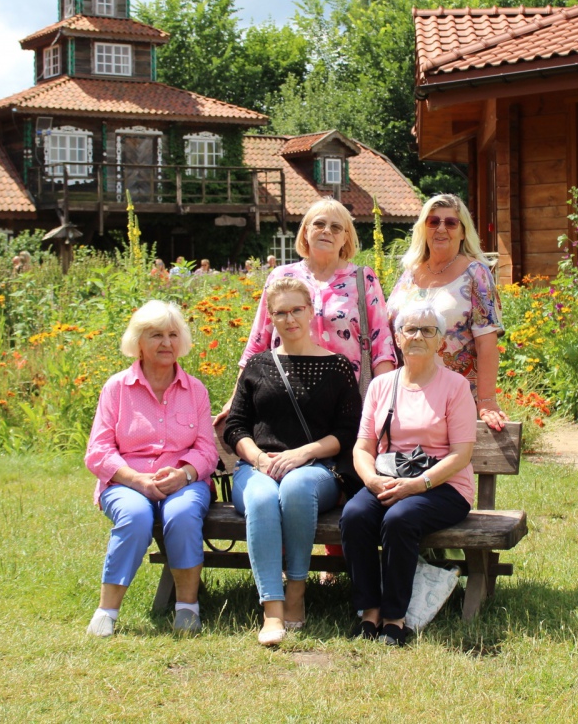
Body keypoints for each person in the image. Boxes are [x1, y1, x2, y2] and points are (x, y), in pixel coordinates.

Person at [223, 277, 362, 646]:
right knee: (263, 498)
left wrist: (304, 453)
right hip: (258, 468)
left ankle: (297, 591)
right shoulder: (258, 365)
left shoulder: (337, 367)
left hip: (317, 471)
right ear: (270, 318)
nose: (290, 319)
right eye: (280, 312)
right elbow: (235, 426)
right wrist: (257, 458)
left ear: (311, 311)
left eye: (297, 309)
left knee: (298, 486)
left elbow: (349, 432)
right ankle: (272, 607)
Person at [340, 301, 476, 646]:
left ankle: (395, 617)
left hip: (443, 485)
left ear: (439, 342)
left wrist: (417, 485)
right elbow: (362, 447)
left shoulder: (455, 386)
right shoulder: (382, 385)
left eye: (427, 330)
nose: (417, 336)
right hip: (389, 478)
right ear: (398, 338)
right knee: (355, 514)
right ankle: (368, 611)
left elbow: (462, 454)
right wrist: (370, 480)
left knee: (400, 519)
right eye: (410, 329)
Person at [84, 300, 218, 637]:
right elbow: (98, 451)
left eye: (173, 335)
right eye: (156, 335)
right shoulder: (116, 388)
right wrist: (136, 480)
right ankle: (107, 611)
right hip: (126, 483)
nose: (167, 343)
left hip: (184, 482)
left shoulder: (196, 390)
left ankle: (187, 608)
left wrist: (184, 474)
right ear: (138, 342)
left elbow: (206, 449)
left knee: (184, 515)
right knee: (136, 517)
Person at [217, 198, 396, 427]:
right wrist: (235, 397)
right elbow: (258, 340)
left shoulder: (362, 279)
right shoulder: (281, 277)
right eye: (319, 224)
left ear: (345, 238)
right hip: (285, 396)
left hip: (345, 403)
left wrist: (385, 402)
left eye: (336, 227)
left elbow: (381, 344)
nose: (326, 232)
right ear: (305, 232)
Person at [388, 194, 507, 431]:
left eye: (450, 223)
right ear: (423, 228)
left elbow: (487, 343)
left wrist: (486, 402)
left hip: (455, 397)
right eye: (433, 222)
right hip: (407, 393)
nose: (441, 228)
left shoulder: (476, 274)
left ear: (463, 232)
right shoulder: (410, 272)